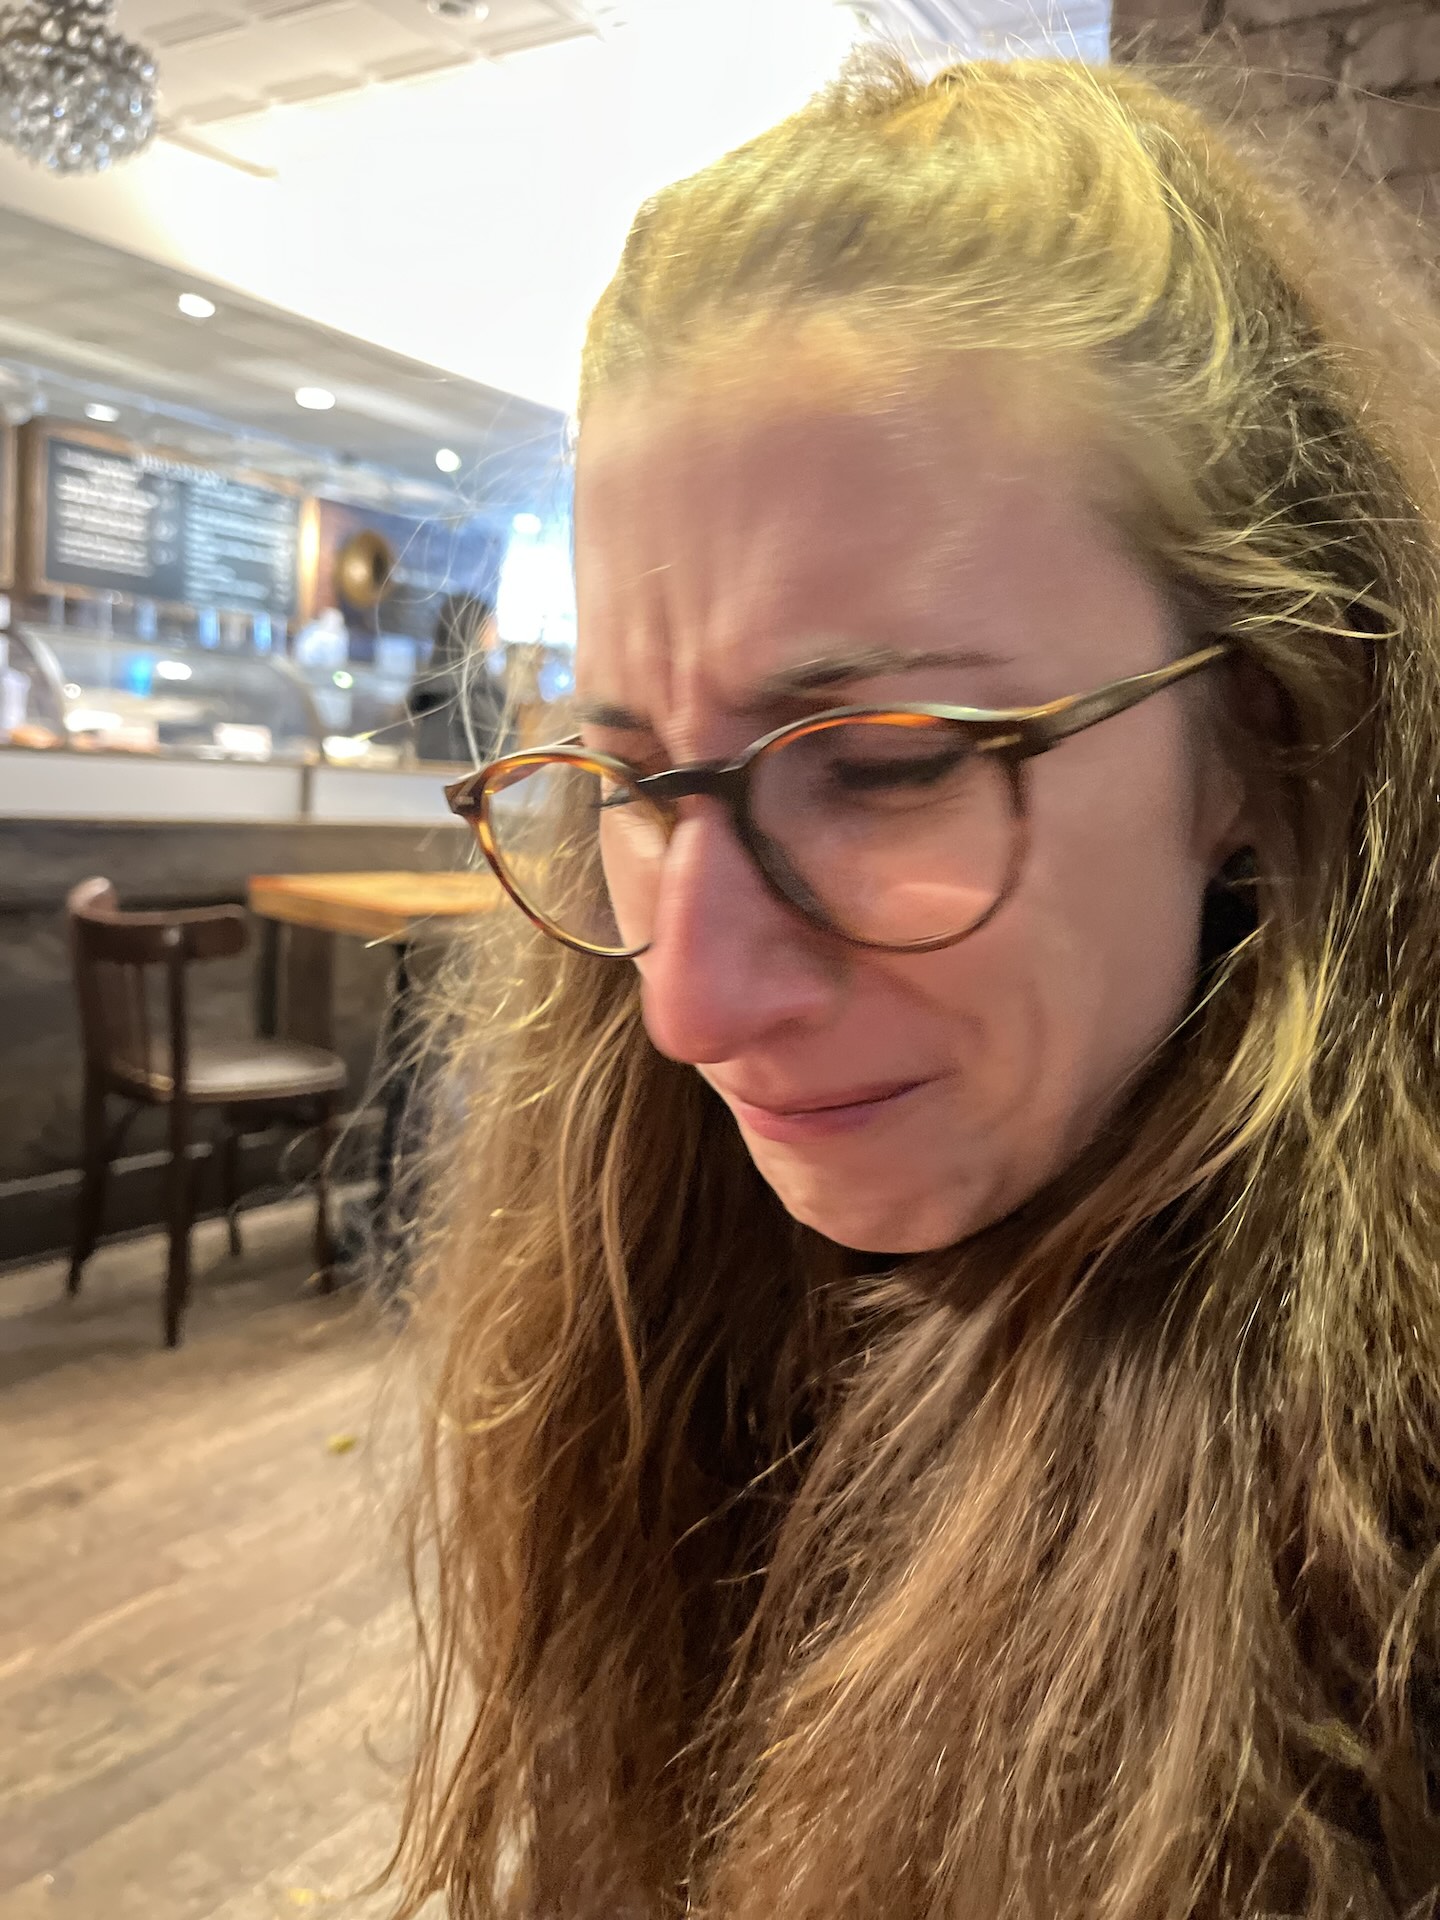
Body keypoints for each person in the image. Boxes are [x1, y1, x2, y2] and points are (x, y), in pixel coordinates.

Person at [394, 56, 1440, 1919]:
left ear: (1258, 747)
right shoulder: (659, 1284)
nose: (688, 1008)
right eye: (630, 781)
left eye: (883, 764)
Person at [407, 593, 511, 766]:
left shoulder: (428, 687)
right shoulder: (477, 690)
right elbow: (499, 757)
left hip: (425, 786)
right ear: (472, 629)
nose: (496, 632)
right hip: (466, 788)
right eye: (490, 624)